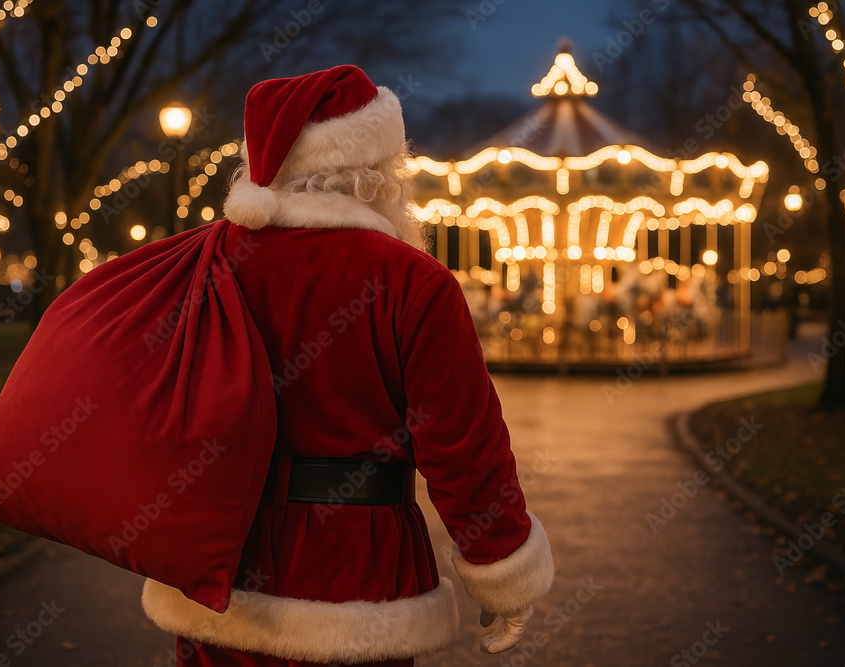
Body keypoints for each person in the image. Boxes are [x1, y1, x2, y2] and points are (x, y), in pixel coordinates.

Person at [139, 65, 554, 667]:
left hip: (222, 556)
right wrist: (502, 568)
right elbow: (463, 447)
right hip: (360, 567)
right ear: (379, 169)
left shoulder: (206, 266)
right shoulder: (415, 282)